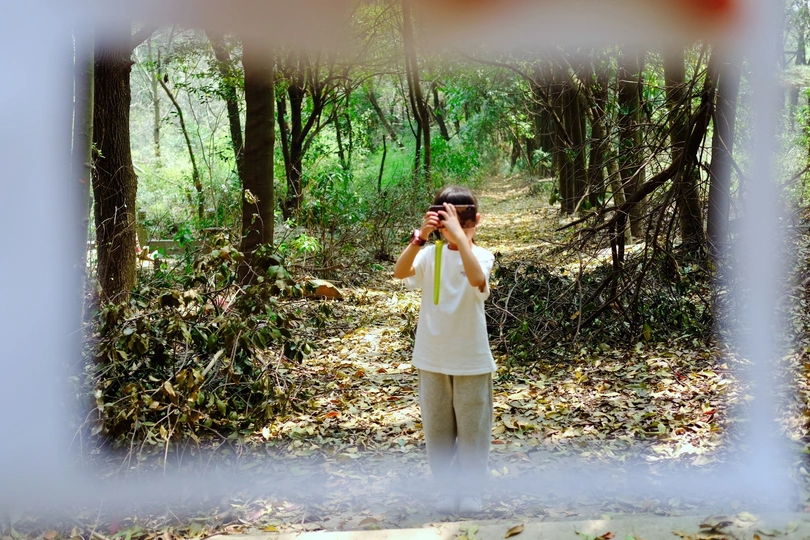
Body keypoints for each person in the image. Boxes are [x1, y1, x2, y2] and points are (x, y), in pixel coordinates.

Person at [393, 185, 496, 515]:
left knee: (473, 431)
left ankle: (472, 491)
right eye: (447, 217)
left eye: (463, 218)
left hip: (471, 359)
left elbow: (477, 279)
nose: (456, 225)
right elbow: (400, 272)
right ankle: (446, 489)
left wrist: (460, 238)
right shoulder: (429, 255)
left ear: (477, 220)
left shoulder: (482, 255)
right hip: (432, 357)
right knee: (437, 431)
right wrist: (420, 237)